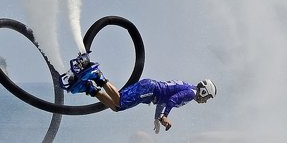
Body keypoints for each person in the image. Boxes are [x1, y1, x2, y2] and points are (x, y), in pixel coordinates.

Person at [60, 52, 216, 133]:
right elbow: (172, 101)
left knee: (116, 107)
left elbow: (164, 100)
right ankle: (97, 76)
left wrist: (157, 118)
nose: (205, 101)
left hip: (151, 90)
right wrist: (166, 117)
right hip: (150, 89)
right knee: (119, 101)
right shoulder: (190, 93)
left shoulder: (190, 89)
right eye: (207, 97)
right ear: (204, 91)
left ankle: (89, 88)